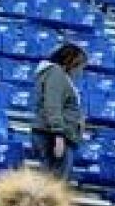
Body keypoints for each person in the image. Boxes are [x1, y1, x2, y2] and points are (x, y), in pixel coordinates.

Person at [29, 41, 87, 184]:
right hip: (53, 135)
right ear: (70, 61)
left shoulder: (56, 75)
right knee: (54, 183)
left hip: (55, 134)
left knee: (52, 181)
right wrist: (59, 135)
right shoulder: (56, 74)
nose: (80, 70)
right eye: (79, 65)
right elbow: (52, 105)